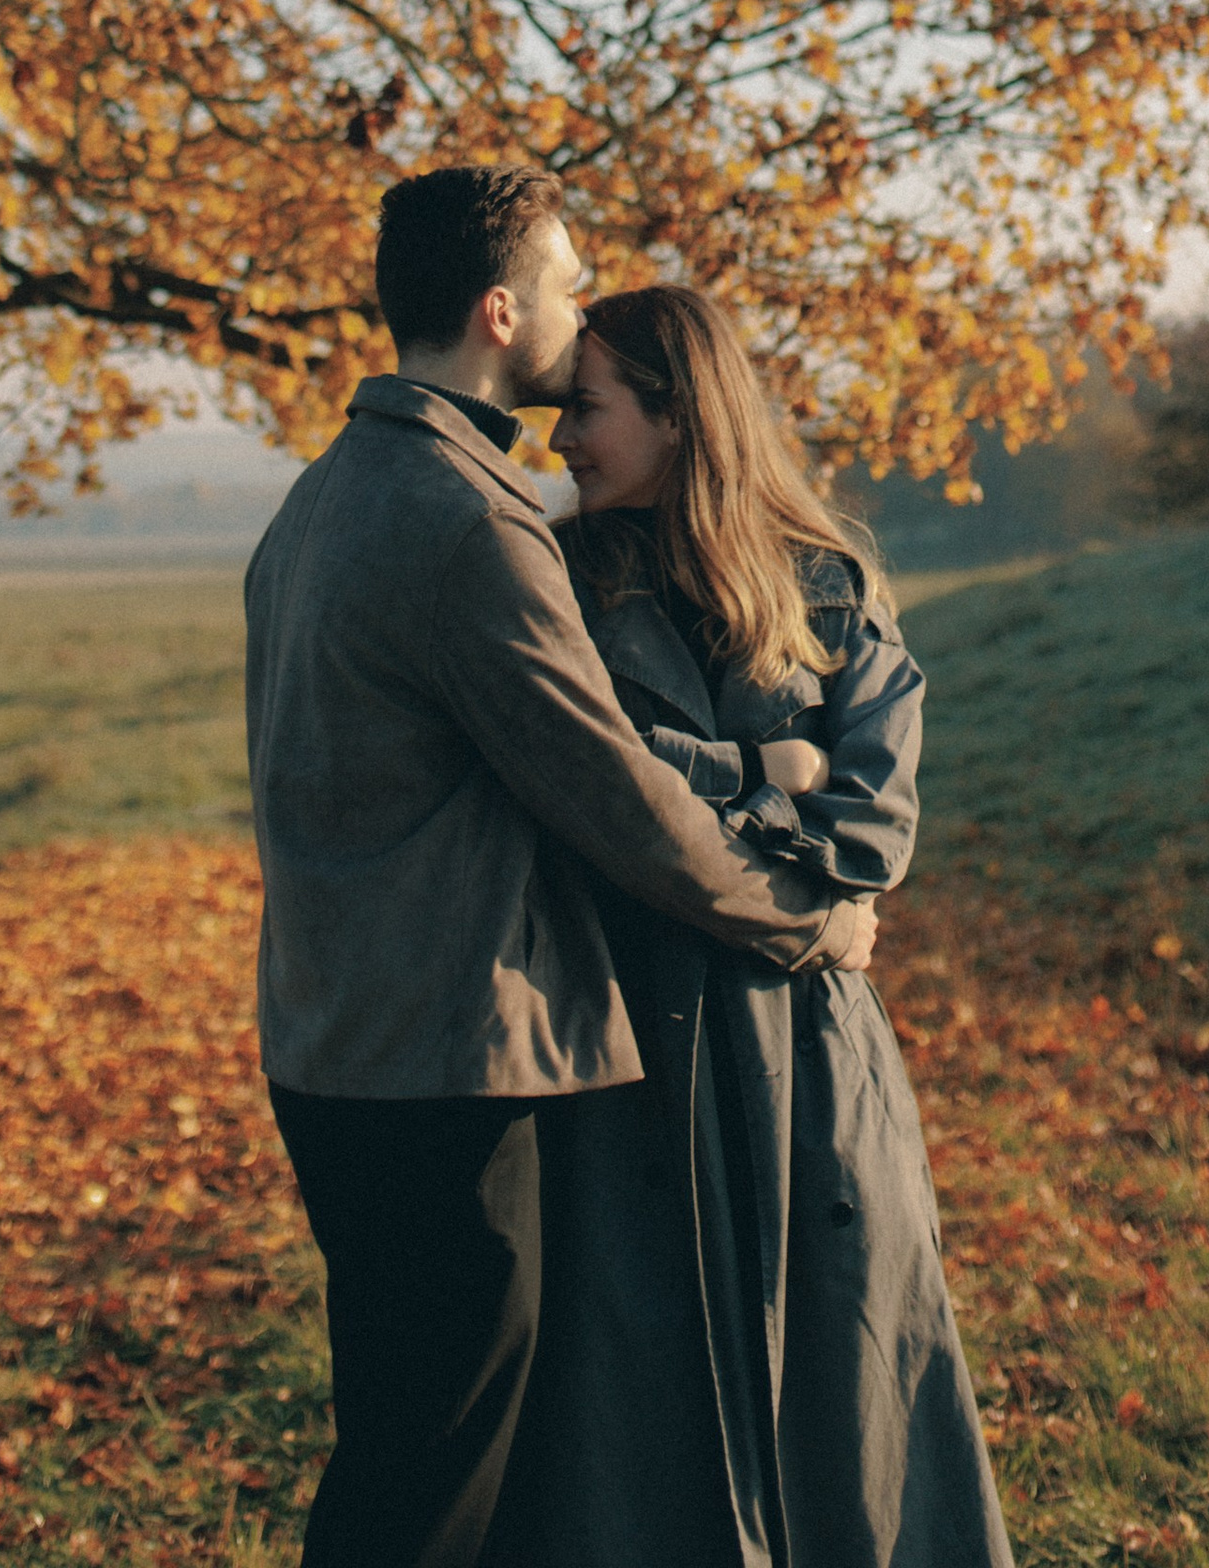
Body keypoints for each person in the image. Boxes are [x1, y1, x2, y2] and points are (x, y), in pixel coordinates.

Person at [243, 166, 877, 1568]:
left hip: (329, 1042)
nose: (582, 314)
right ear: (498, 310)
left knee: (403, 1436)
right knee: (435, 1480)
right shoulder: (468, 523)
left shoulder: (319, 499)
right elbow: (618, 800)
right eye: (568, 286)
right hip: (443, 1062)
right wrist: (803, 919)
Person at [488, 282, 1015, 1568]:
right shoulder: (554, 582)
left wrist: (700, 790)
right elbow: (584, 789)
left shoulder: (828, 584)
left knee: (845, 1388)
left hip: (808, 1060)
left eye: (587, 409)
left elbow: (871, 836)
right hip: (629, 1054)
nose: (561, 439)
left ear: (677, 413)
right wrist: (766, 772)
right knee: (642, 1417)